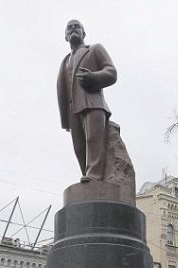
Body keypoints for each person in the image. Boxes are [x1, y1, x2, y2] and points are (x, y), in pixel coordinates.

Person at [57, 19, 117, 182]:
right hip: (72, 110)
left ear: (84, 33)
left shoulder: (94, 49)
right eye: (69, 28)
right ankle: (88, 179)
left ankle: (95, 176)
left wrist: (93, 77)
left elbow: (111, 72)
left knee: (93, 141)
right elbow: (62, 90)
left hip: (92, 103)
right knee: (79, 148)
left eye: (77, 26)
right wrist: (65, 121)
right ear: (65, 36)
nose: (73, 29)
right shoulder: (65, 61)